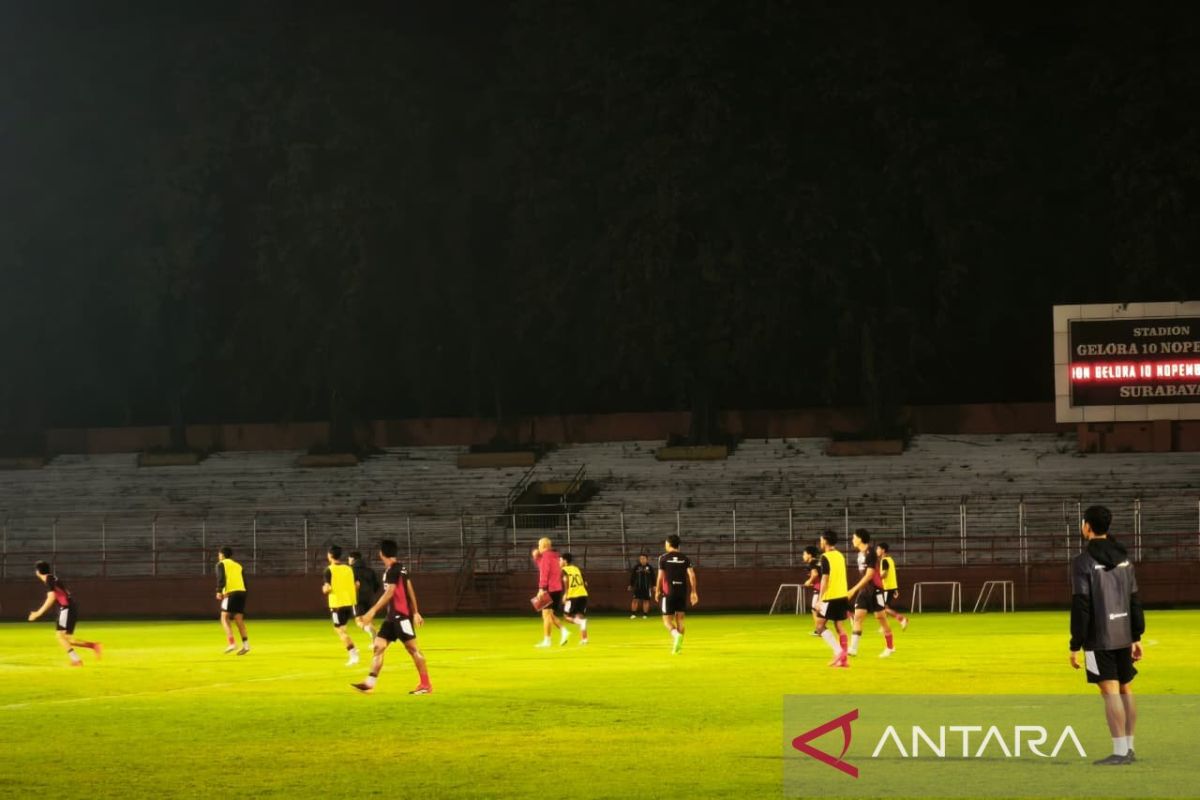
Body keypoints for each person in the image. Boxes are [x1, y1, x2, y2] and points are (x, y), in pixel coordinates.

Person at [1069, 505, 1144, 766]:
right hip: (1123, 633)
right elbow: (1134, 599)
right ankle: (1129, 748)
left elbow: (1082, 603)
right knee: (1125, 689)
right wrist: (1137, 635)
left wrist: (1075, 643)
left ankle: (1120, 752)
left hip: (1098, 638)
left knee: (1110, 693)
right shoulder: (1125, 559)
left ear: (1087, 526)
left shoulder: (1083, 561)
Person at [352, 539, 431, 695]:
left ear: (382, 553)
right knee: (378, 646)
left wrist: (372, 611)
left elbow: (390, 593)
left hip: (401, 617)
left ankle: (425, 684)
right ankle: (369, 683)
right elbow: (410, 589)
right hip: (391, 618)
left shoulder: (393, 570)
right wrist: (416, 611)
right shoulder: (400, 569)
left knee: (413, 649)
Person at [27, 561, 101, 666]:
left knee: (60, 636)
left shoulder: (48, 579)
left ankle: (76, 661)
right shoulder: (52, 578)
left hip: (66, 608)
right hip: (70, 607)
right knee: (68, 639)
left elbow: (51, 597)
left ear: (38, 571)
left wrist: (38, 613)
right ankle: (94, 646)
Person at [847, 529, 894, 658]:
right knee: (858, 617)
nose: (852, 540)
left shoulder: (871, 553)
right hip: (864, 591)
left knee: (881, 618)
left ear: (860, 539)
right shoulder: (860, 554)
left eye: (854, 537)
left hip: (875, 590)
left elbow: (869, 575)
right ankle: (853, 648)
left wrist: (853, 590)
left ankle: (890, 647)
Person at [655, 534, 698, 655]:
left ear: (668, 544)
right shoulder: (685, 558)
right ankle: (678, 648)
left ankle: (676, 636)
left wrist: (657, 591)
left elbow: (660, 576)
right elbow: (692, 575)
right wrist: (693, 592)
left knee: (667, 621)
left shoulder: (663, 558)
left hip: (668, 592)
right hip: (682, 592)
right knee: (680, 620)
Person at [815, 530, 851, 668]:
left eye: (821, 539)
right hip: (842, 595)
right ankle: (844, 661)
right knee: (839, 626)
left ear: (825, 540)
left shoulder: (825, 557)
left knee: (819, 626)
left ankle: (839, 652)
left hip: (830, 596)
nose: (820, 542)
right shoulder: (840, 556)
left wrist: (820, 599)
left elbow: (825, 578)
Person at [322, 545, 360, 666]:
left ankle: (353, 653)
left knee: (339, 630)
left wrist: (324, 590)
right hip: (349, 603)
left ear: (330, 555)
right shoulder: (349, 569)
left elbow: (327, 588)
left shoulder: (329, 570)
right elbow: (357, 584)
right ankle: (353, 651)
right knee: (342, 629)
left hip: (337, 604)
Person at [531, 537, 567, 647]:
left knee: (546, 615)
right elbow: (543, 566)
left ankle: (547, 641)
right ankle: (564, 631)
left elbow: (544, 572)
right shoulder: (555, 557)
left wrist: (541, 588)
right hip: (557, 588)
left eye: (539, 545)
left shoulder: (546, 557)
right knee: (549, 615)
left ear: (544, 546)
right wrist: (536, 558)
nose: (538, 547)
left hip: (549, 588)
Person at [216, 546, 249, 655]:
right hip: (242, 592)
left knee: (224, 617)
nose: (218, 556)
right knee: (238, 618)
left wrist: (219, 591)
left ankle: (232, 643)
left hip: (231, 593)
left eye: (219, 554)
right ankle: (246, 646)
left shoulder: (221, 564)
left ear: (222, 555)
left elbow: (221, 578)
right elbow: (244, 580)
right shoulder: (238, 565)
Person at [875, 542, 909, 630]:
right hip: (891, 587)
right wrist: (895, 589)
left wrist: (875, 577)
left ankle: (902, 619)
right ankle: (884, 626)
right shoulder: (890, 559)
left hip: (887, 587)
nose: (877, 550)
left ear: (883, 550)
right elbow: (892, 574)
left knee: (883, 608)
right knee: (884, 607)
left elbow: (885, 574)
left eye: (878, 549)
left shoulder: (884, 560)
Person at [348, 550, 380, 641]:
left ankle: (370, 631)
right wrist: (370, 593)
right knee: (369, 620)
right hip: (370, 598)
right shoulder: (370, 570)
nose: (348, 560)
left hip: (357, 598)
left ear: (353, 559)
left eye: (349, 558)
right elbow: (377, 585)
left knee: (359, 621)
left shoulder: (350, 570)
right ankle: (375, 641)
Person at [560, 553, 589, 645]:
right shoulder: (576, 568)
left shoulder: (564, 570)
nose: (559, 562)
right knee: (579, 616)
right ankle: (584, 639)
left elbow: (566, 580)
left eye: (560, 560)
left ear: (564, 561)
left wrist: (566, 593)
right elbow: (585, 583)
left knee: (566, 617)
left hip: (573, 596)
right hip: (583, 594)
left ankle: (581, 622)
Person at [801, 545, 824, 635]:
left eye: (804, 554)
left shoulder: (812, 563)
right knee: (819, 610)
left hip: (819, 590)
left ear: (809, 555)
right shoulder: (819, 562)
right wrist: (812, 582)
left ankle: (819, 630)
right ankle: (819, 629)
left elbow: (815, 574)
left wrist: (809, 581)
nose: (803, 556)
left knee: (814, 609)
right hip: (822, 587)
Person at [628, 553, 656, 618]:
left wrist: (654, 585)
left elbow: (653, 577)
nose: (642, 560)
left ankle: (645, 615)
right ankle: (633, 614)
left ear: (647, 559)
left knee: (646, 600)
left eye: (643, 558)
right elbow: (633, 576)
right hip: (637, 587)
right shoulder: (636, 567)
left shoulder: (650, 567)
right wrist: (631, 585)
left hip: (646, 587)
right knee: (635, 600)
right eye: (641, 559)